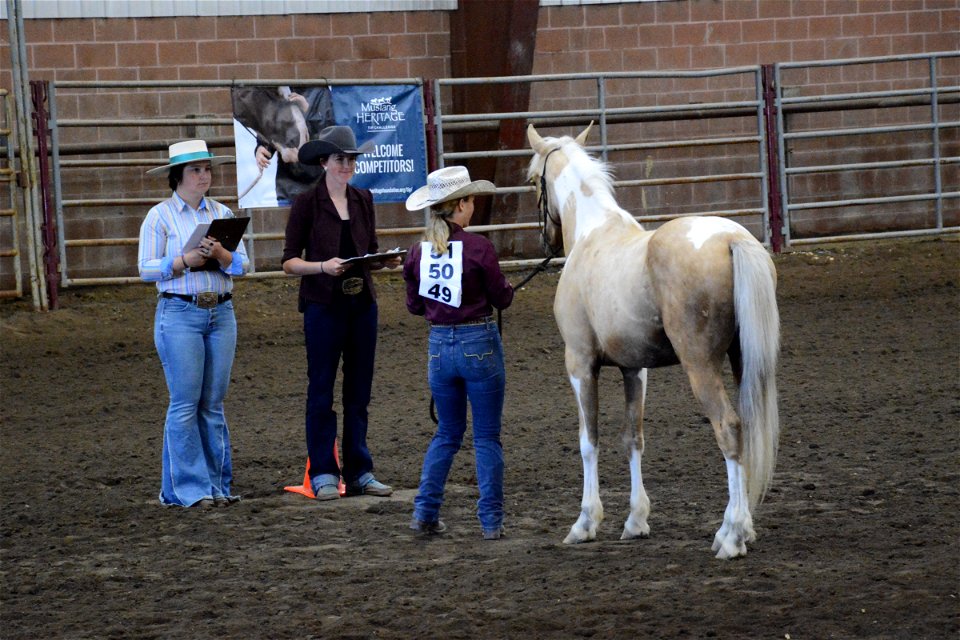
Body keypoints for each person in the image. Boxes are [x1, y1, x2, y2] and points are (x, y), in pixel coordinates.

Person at [281, 125, 400, 501]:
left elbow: (370, 252)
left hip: (361, 305)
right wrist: (321, 267)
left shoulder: (363, 199)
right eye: (340, 159)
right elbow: (288, 262)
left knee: (358, 391)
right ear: (324, 162)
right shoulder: (306, 204)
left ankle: (359, 469)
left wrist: (385, 262)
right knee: (321, 390)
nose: (346, 165)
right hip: (323, 306)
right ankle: (323, 472)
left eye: (350, 160)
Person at [402, 166, 514, 539]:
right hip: (477, 343)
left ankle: (425, 513)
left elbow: (415, 306)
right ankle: (491, 522)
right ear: (461, 205)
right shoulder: (480, 248)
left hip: (439, 347)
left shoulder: (418, 251)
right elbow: (502, 298)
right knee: (486, 437)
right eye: (470, 200)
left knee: (447, 433)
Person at [138, 139, 250, 508]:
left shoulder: (222, 212)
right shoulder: (159, 216)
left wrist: (221, 254)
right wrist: (184, 260)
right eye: (195, 170)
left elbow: (243, 265)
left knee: (212, 402)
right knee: (187, 402)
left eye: (207, 169)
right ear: (177, 177)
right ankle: (190, 488)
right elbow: (145, 268)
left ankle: (213, 486)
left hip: (220, 311)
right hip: (181, 312)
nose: (204, 175)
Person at [255, 86, 334, 205]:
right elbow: (270, 131)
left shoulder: (320, 91)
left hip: (318, 187)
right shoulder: (279, 88)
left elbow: (327, 135)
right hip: (288, 189)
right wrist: (261, 149)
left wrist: (307, 110)